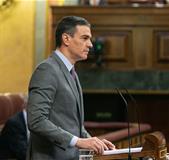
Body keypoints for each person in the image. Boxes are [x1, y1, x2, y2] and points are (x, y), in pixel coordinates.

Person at [27, 16, 115, 160]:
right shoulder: (47, 70)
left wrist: (93, 141)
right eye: (85, 38)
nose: (90, 45)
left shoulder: (71, 71)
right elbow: (36, 120)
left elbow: (73, 125)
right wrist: (79, 141)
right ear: (66, 39)